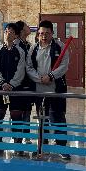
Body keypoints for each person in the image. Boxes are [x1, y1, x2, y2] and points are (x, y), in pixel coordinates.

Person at [26, 20, 70, 159]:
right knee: (41, 119)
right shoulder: (33, 48)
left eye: (47, 33)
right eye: (41, 33)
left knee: (58, 118)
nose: (43, 36)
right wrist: (39, 79)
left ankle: (61, 147)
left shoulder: (60, 46)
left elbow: (64, 66)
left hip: (56, 89)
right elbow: (29, 67)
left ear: (52, 33)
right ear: (38, 34)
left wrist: (51, 76)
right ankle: (42, 147)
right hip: (39, 89)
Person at [0, 22, 28, 156]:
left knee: (16, 118)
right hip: (0, 89)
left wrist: (11, 84)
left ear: (16, 35)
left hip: (15, 89)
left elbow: (20, 71)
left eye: (11, 32)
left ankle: (18, 145)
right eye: (6, 31)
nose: (8, 34)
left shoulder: (20, 51)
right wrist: (2, 83)